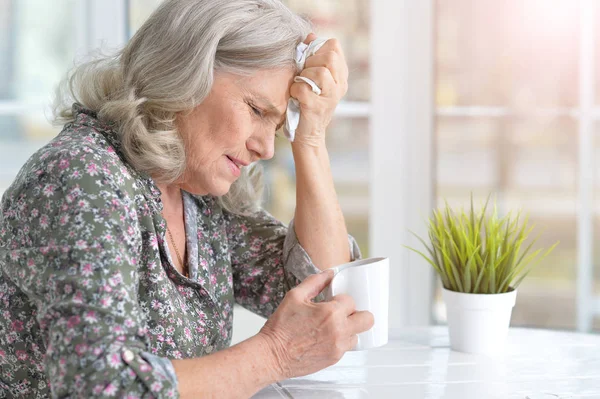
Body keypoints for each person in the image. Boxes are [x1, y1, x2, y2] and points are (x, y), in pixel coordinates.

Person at [0, 0, 374, 397]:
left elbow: (324, 297)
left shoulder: (194, 187)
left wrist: (311, 138)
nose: (266, 147)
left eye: (279, 124)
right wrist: (276, 353)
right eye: (256, 110)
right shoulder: (78, 179)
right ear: (183, 72)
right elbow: (101, 387)